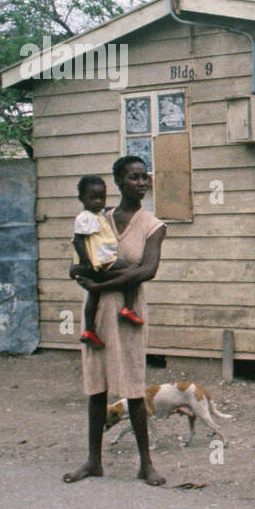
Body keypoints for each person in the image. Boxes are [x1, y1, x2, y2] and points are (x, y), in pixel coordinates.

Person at [64, 156, 167, 487]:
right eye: (133, 177)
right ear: (118, 182)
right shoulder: (98, 216)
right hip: (98, 312)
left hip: (129, 314)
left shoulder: (153, 225)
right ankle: (94, 460)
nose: (141, 183)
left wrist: (100, 283)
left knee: (135, 387)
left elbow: (147, 271)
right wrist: (86, 277)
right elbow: (83, 260)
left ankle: (145, 464)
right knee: (97, 386)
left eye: (144, 177)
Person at [71, 174, 142, 348]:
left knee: (93, 295)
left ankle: (89, 330)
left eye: (101, 197)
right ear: (82, 198)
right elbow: (78, 240)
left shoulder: (97, 214)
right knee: (133, 271)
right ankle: (128, 307)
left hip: (99, 260)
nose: (98, 201)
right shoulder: (85, 217)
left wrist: (112, 207)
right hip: (103, 260)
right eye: (92, 198)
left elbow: (104, 210)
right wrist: (86, 260)